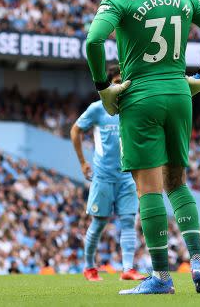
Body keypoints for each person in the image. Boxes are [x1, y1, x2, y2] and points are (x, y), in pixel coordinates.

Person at [84, 0, 200, 295]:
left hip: (141, 96)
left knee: (148, 189)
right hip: (180, 93)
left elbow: (93, 42)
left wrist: (104, 87)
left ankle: (162, 278)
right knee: (177, 182)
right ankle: (197, 261)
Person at [69, 64, 146, 283]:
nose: (120, 86)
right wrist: (83, 162)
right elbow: (75, 130)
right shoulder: (97, 108)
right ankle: (89, 267)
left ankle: (128, 269)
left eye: (123, 81)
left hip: (127, 175)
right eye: (116, 82)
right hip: (103, 176)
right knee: (99, 222)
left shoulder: (132, 107)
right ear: (109, 84)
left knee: (129, 221)